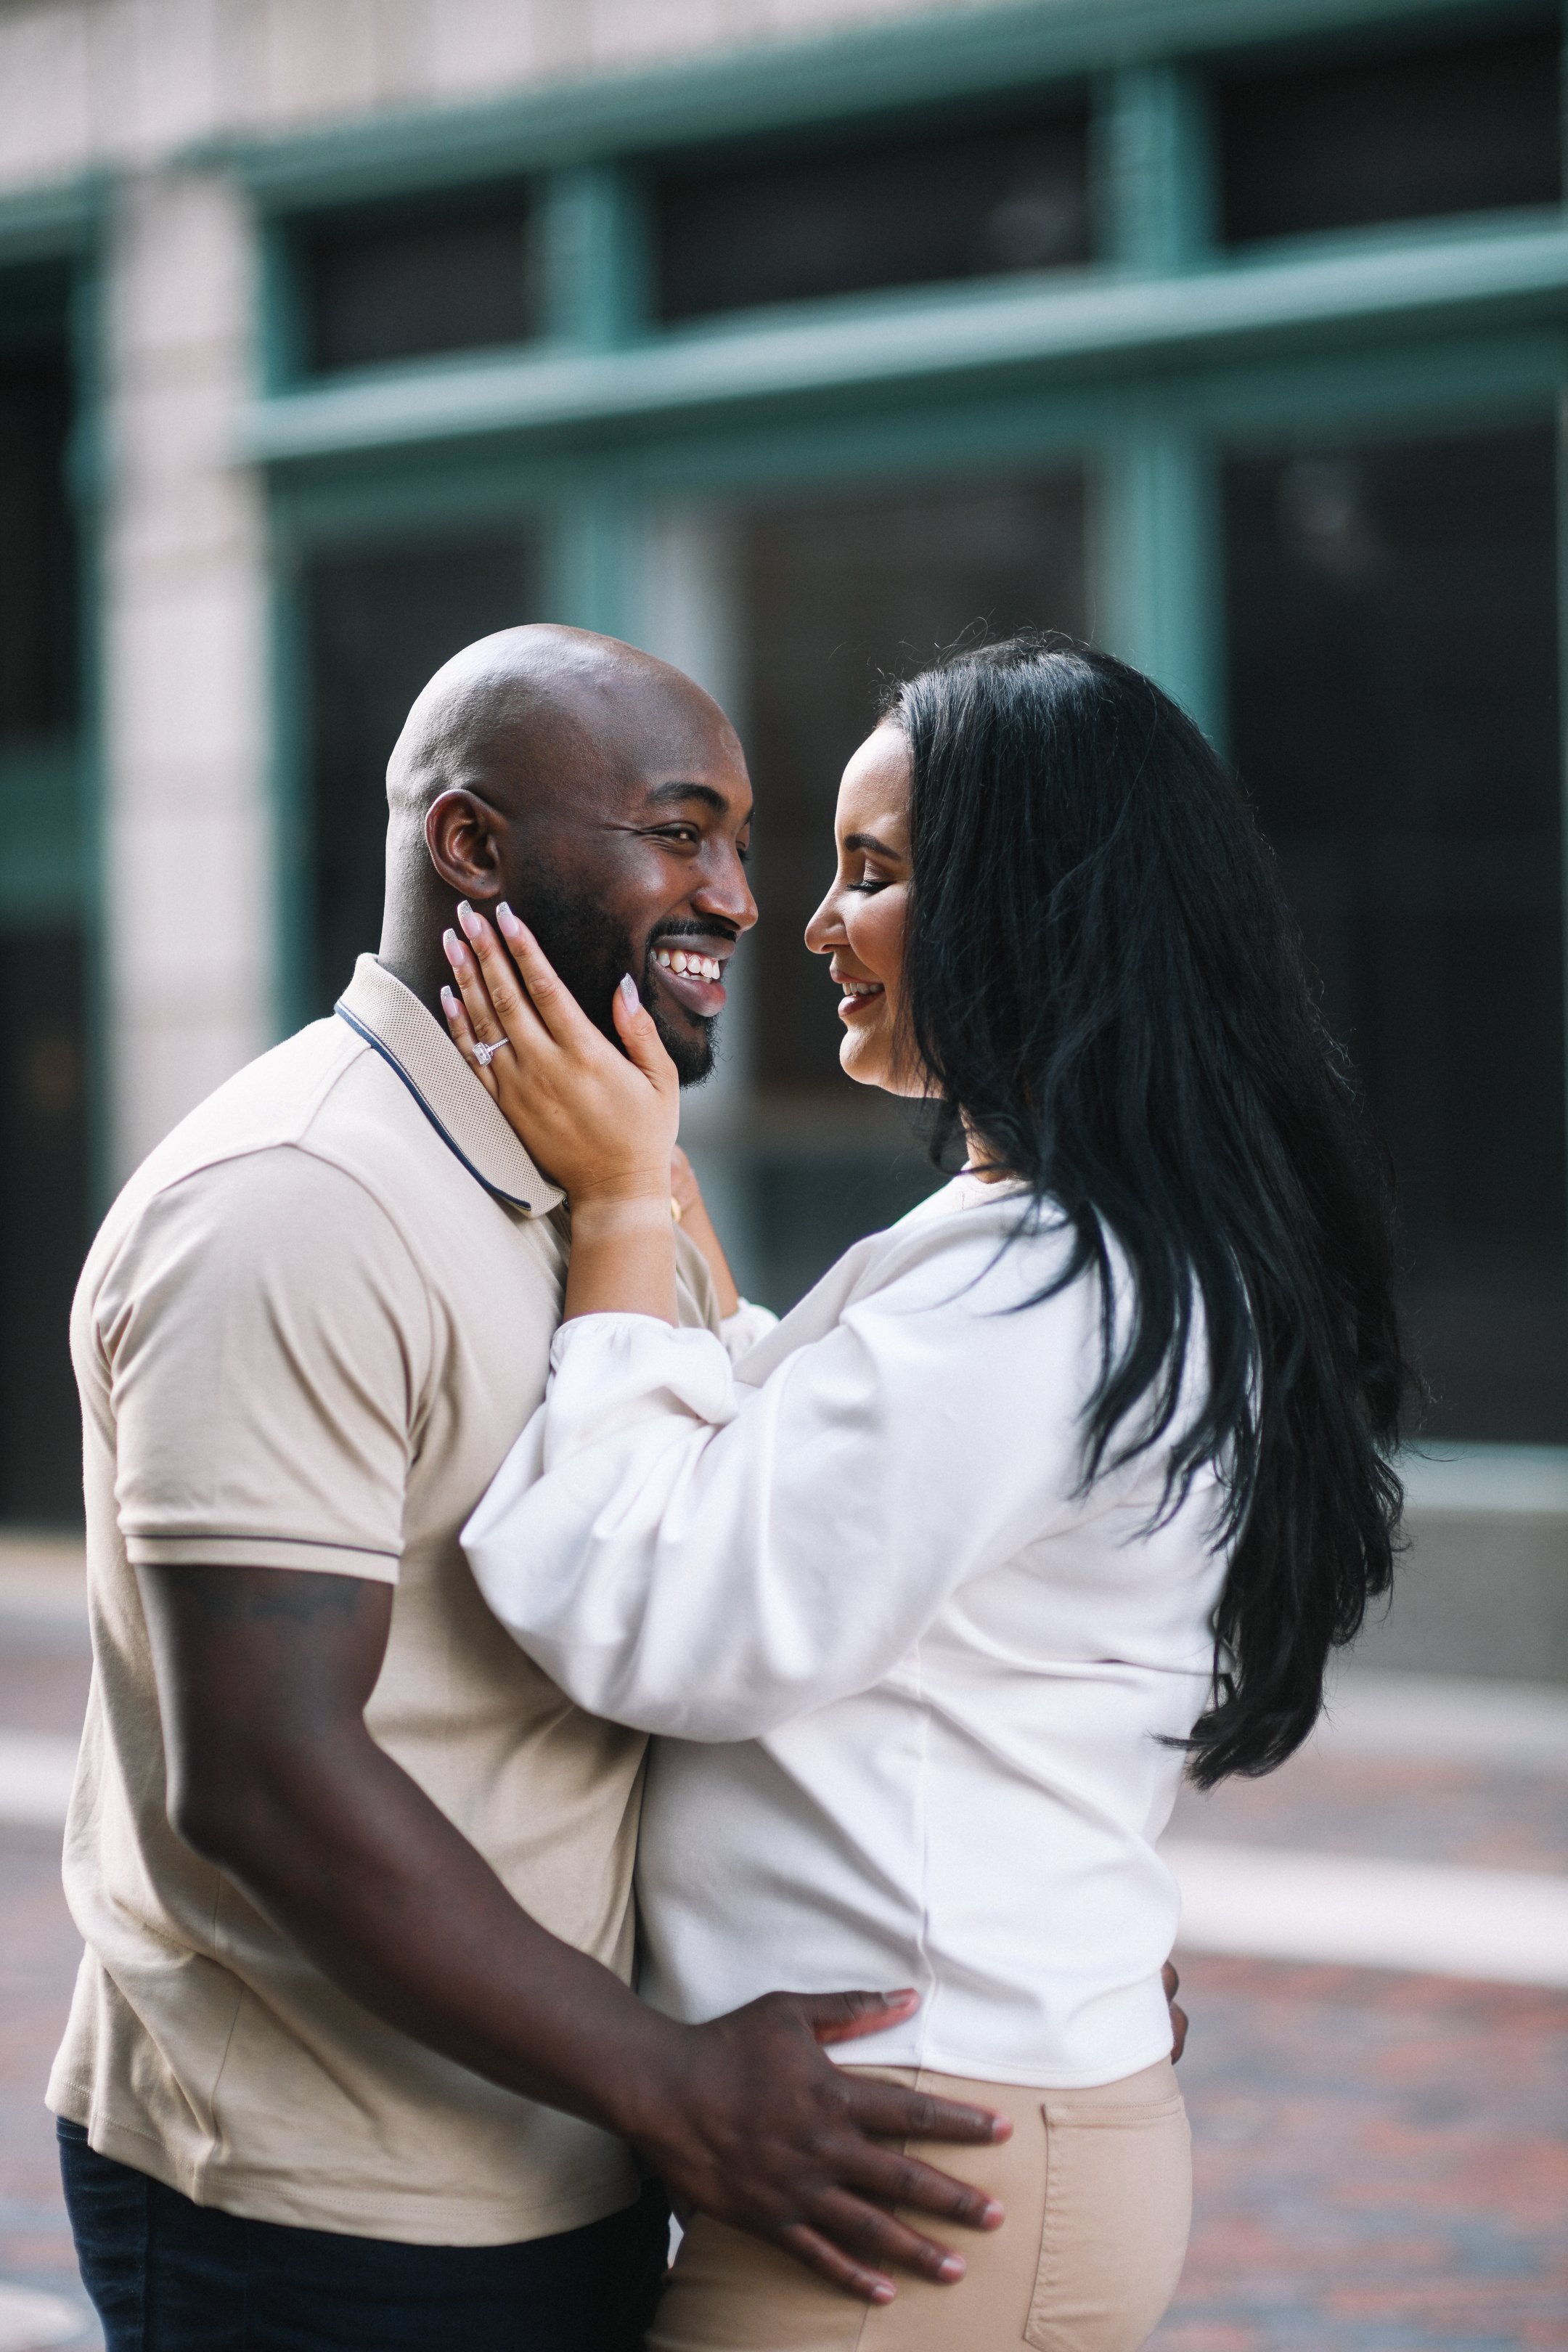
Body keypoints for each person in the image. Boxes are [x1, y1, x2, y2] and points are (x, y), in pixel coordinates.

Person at [52, 624, 1016, 2352]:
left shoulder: (603, 1165)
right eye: (678, 830)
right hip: (328, 2207)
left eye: (741, 838)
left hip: (577, 2152)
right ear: (473, 849)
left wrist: (1036, 1910)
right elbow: (268, 1775)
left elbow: (743, 1569)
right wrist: (674, 2083)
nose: (737, 896)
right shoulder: (296, 1200)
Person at [441, 634, 1410, 2351]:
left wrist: (606, 1222)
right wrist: (656, 1204)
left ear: (1035, 913)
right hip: (971, 2135)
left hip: (927, 2173)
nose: (809, 921)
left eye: (873, 874)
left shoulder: (1046, 1283)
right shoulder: (1076, 1248)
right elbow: (836, 1470)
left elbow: (670, 1613)